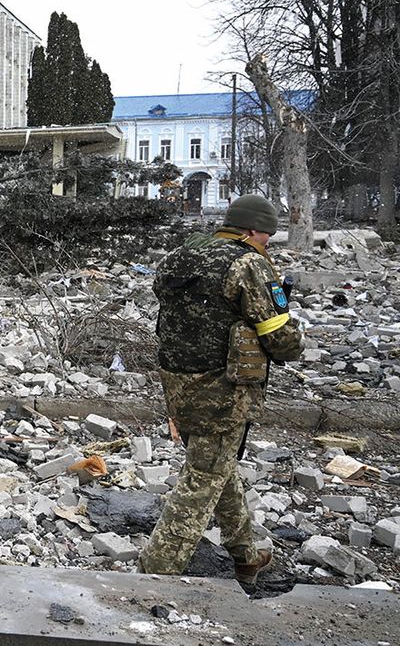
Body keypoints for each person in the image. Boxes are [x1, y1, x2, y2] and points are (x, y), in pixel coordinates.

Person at [139, 194, 303, 584]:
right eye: (265, 238)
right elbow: (281, 340)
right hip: (223, 387)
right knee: (203, 476)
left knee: (217, 465)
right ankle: (153, 574)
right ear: (251, 230)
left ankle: (246, 555)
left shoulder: (184, 254)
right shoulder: (248, 263)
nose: (265, 245)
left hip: (177, 380)